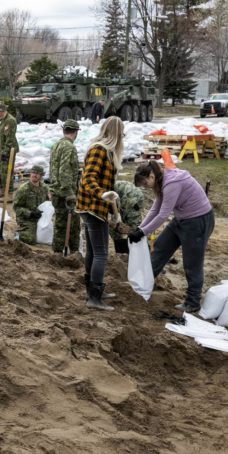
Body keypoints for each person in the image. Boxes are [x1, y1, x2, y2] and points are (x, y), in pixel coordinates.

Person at [131, 161, 215, 313]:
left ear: (151, 176)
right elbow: (155, 209)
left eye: (144, 183)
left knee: (192, 262)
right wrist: (140, 228)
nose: (145, 186)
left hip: (198, 221)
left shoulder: (171, 183)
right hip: (182, 218)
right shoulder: (160, 181)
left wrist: (143, 233)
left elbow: (163, 214)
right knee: (160, 247)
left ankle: (193, 301)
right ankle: (143, 285)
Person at [75, 116, 124, 311]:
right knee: (101, 253)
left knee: (94, 252)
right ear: (115, 133)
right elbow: (87, 179)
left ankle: (92, 291)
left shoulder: (108, 152)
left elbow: (108, 186)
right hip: (92, 207)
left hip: (98, 207)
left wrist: (116, 212)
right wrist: (101, 194)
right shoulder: (99, 150)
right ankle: (94, 298)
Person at [48, 119, 81, 254]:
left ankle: (61, 252)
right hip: (65, 193)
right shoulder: (69, 147)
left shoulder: (55, 146)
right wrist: (69, 193)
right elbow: (64, 170)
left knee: (61, 224)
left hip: (56, 191)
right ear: (76, 132)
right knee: (69, 225)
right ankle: (67, 253)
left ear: (63, 131)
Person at [13, 165, 49, 245]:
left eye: (37, 173)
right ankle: (17, 234)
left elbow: (48, 203)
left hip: (40, 217)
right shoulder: (23, 189)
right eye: (33, 173)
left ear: (41, 175)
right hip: (26, 218)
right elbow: (16, 207)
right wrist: (30, 213)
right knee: (30, 239)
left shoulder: (44, 188)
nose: (34, 175)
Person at [0, 101, 18, 202]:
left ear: (1, 110)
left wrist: (6, 152)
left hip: (8, 150)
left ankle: (10, 193)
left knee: (6, 172)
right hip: (1, 149)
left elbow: (10, 138)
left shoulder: (10, 120)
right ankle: (2, 189)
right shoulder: (3, 120)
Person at [110, 180, 144, 254]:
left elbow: (115, 211)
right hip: (135, 195)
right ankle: (127, 250)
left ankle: (130, 253)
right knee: (129, 227)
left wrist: (118, 223)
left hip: (130, 197)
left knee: (130, 227)